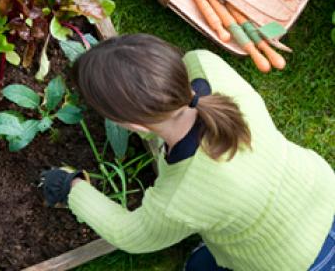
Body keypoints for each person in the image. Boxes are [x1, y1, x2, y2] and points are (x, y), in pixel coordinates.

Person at [39, 34, 335, 271]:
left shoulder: (182, 197)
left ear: (131, 125)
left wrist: (71, 187)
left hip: (293, 262)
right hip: (321, 191)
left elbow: (128, 233)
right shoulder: (207, 66)